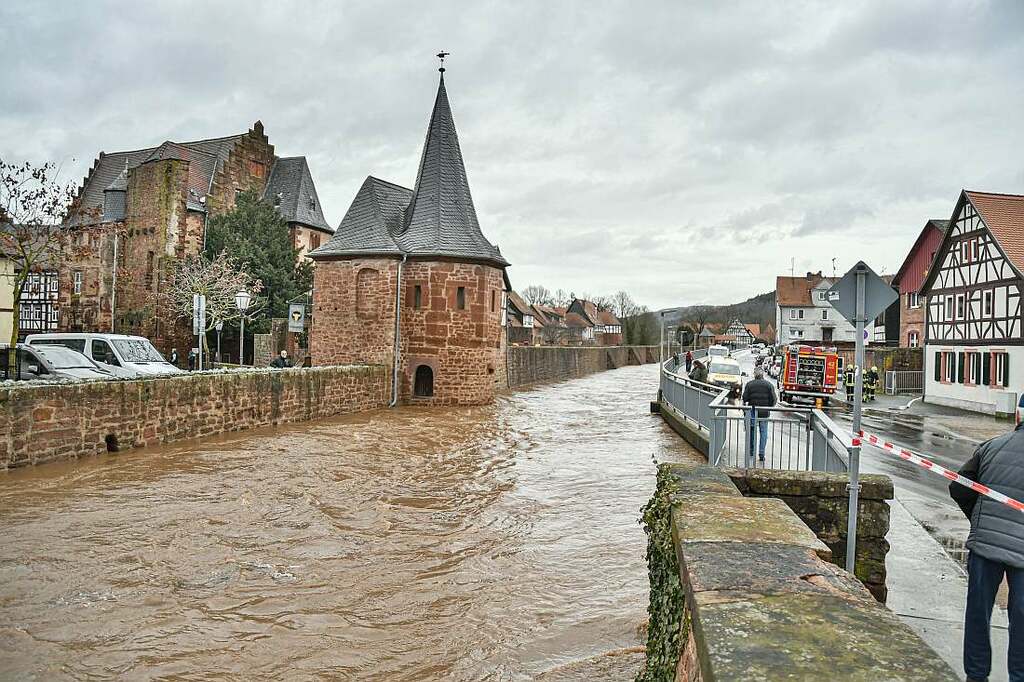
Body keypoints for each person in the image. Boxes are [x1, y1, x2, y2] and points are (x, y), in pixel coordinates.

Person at [949, 423, 1024, 682]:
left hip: (985, 545)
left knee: (978, 613)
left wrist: (978, 519)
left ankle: (976, 675)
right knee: (1022, 619)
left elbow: (958, 488)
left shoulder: (991, 446)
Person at [741, 367, 776, 463]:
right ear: (763, 374)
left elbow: (745, 398)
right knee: (763, 432)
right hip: (764, 412)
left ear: (754, 374)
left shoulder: (749, 384)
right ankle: (761, 453)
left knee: (752, 430)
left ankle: (751, 450)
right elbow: (774, 399)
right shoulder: (769, 385)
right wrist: (769, 407)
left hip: (752, 411)